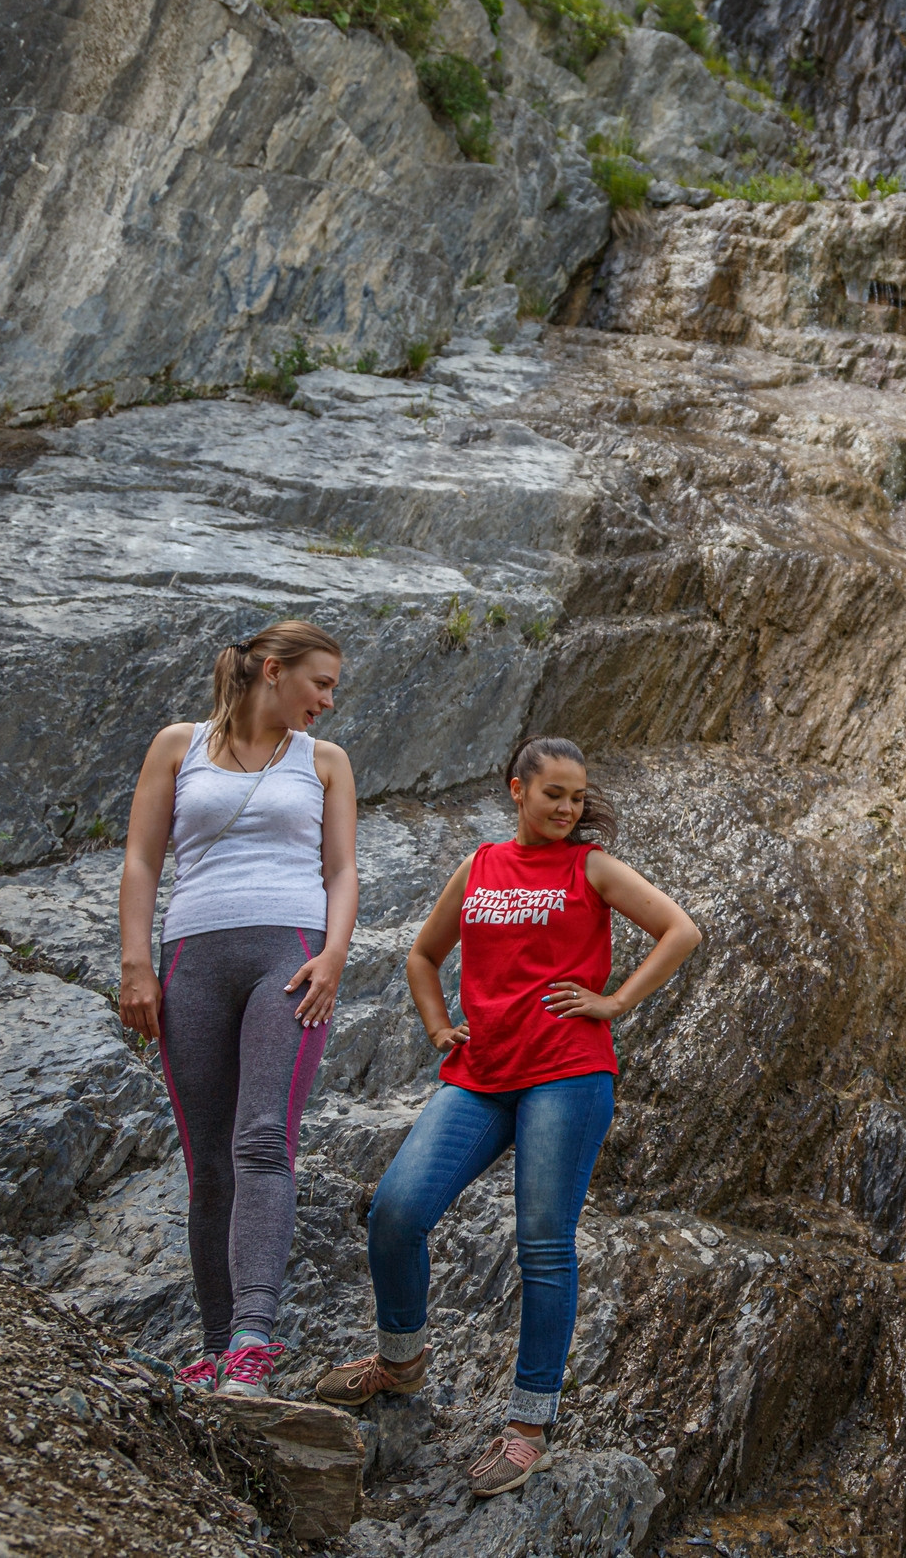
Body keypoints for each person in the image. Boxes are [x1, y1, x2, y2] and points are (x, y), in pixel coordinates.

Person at [311, 736, 699, 1497]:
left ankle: (527, 1426)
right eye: (553, 792)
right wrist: (436, 1027)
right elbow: (423, 955)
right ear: (516, 788)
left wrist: (615, 1001)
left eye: (577, 796)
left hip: (568, 1073)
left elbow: (680, 929)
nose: (567, 807)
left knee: (542, 1244)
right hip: (481, 1072)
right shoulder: (479, 865)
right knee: (395, 1210)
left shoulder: (591, 868)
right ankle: (401, 1358)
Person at [116, 620, 358, 1398]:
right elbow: (142, 858)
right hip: (192, 958)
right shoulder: (176, 745)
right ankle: (217, 1346)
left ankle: (254, 1340)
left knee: (262, 1139)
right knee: (207, 1163)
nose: (327, 699)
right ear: (272, 670)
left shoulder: (323, 762)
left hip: (288, 957)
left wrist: (334, 953)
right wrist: (136, 962)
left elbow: (344, 869)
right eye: (319, 682)